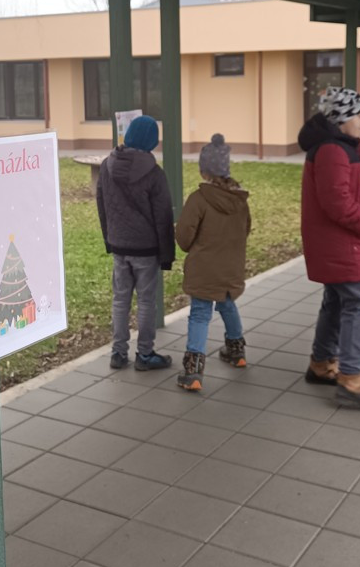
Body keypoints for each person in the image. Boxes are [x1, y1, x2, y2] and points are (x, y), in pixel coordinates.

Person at [299, 87, 360, 409]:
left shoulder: (337, 147)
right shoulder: (333, 151)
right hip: (341, 242)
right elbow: (336, 202)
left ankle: (322, 363)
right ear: (342, 118)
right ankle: (352, 379)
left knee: (337, 301)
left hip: (336, 242)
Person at [96, 114, 175, 371]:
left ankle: (118, 353)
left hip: (119, 246)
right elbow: (163, 217)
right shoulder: (154, 173)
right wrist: (167, 255)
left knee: (120, 300)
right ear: (151, 140)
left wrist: (109, 239)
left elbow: (102, 205)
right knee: (146, 302)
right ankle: (145, 354)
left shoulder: (106, 166)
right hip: (146, 249)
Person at [175, 134, 251, 392]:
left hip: (204, 269)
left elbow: (184, 238)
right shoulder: (240, 201)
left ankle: (193, 370)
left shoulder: (198, 199)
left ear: (204, 171)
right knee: (228, 303)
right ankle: (236, 351)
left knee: (200, 313)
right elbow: (245, 231)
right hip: (230, 267)